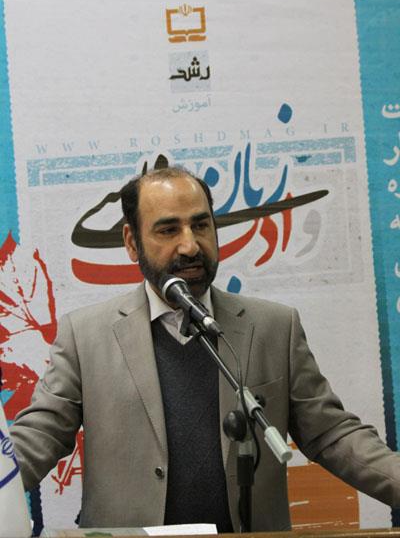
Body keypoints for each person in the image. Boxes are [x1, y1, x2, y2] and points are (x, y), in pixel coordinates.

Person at [10, 166, 400, 532]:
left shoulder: (273, 328)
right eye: (168, 230)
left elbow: (332, 434)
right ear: (131, 242)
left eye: (200, 225)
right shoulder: (85, 336)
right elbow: (39, 436)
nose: (189, 245)